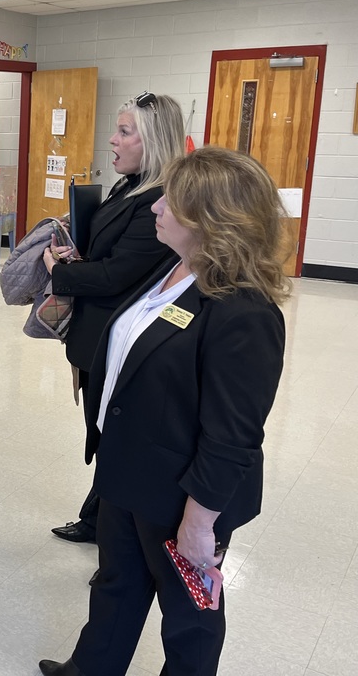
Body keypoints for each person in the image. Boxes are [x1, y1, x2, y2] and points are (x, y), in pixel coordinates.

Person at [39, 146, 290, 676]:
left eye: (169, 202)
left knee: (188, 617)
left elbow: (233, 437)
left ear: (208, 219)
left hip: (184, 494)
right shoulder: (174, 269)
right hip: (129, 470)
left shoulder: (244, 312)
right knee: (117, 583)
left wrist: (199, 524)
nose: (155, 207)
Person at [43, 92, 184, 549]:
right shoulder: (131, 187)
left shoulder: (159, 201)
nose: (112, 140)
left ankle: (112, 532)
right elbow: (110, 256)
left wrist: (59, 272)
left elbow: (117, 275)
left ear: (155, 142)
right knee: (105, 432)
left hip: (118, 341)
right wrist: (78, 254)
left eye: (124, 132)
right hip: (98, 334)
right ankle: (98, 517)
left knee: (115, 437)